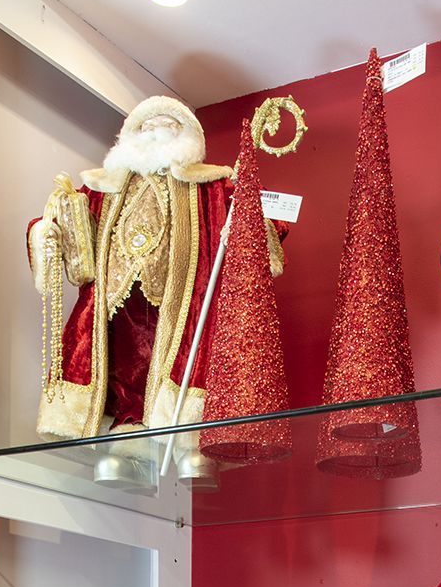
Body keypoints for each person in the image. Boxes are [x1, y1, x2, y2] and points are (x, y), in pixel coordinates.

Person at [27, 95, 285, 463]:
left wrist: (247, 222)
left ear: (186, 135)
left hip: (184, 296)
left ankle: (187, 440)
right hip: (115, 301)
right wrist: (45, 232)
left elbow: (264, 226)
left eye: (167, 126)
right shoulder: (103, 187)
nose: (155, 132)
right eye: (147, 126)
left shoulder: (210, 185)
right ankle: (127, 428)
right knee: (119, 359)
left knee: (187, 354)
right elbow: (67, 232)